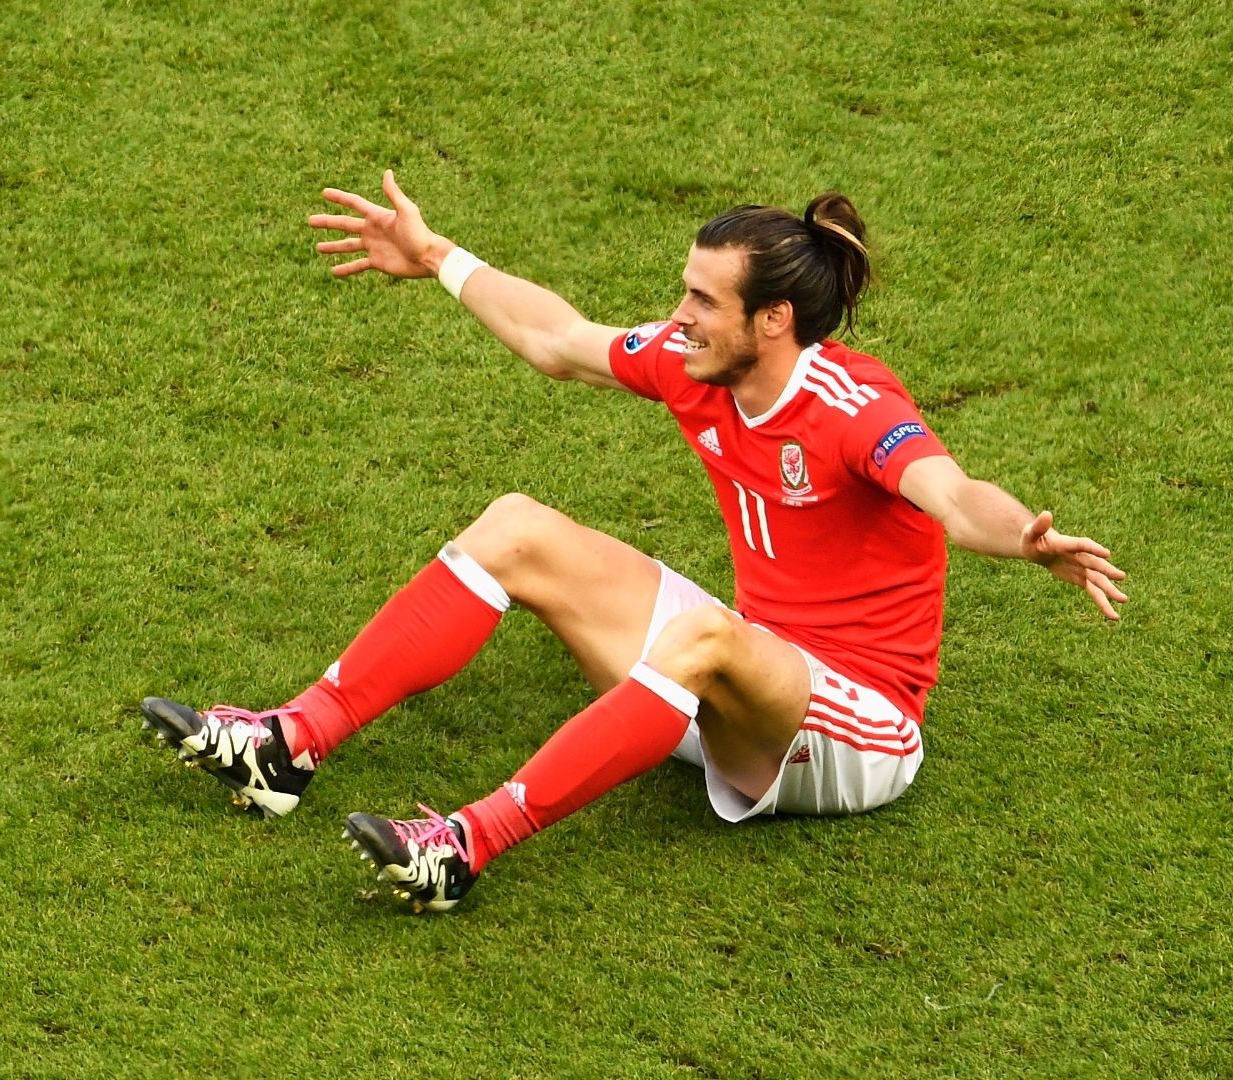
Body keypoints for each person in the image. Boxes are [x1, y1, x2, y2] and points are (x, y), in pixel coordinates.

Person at [140, 172, 1126, 913]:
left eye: (703, 301)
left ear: (773, 320)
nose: (680, 316)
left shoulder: (849, 404)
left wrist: (1025, 538)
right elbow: (558, 340)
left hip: (855, 731)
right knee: (518, 526)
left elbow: (952, 496)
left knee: (707, 637)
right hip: (737, 673)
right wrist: (439, 256)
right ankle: (288, 745)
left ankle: (463, 848)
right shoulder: (698, 365)